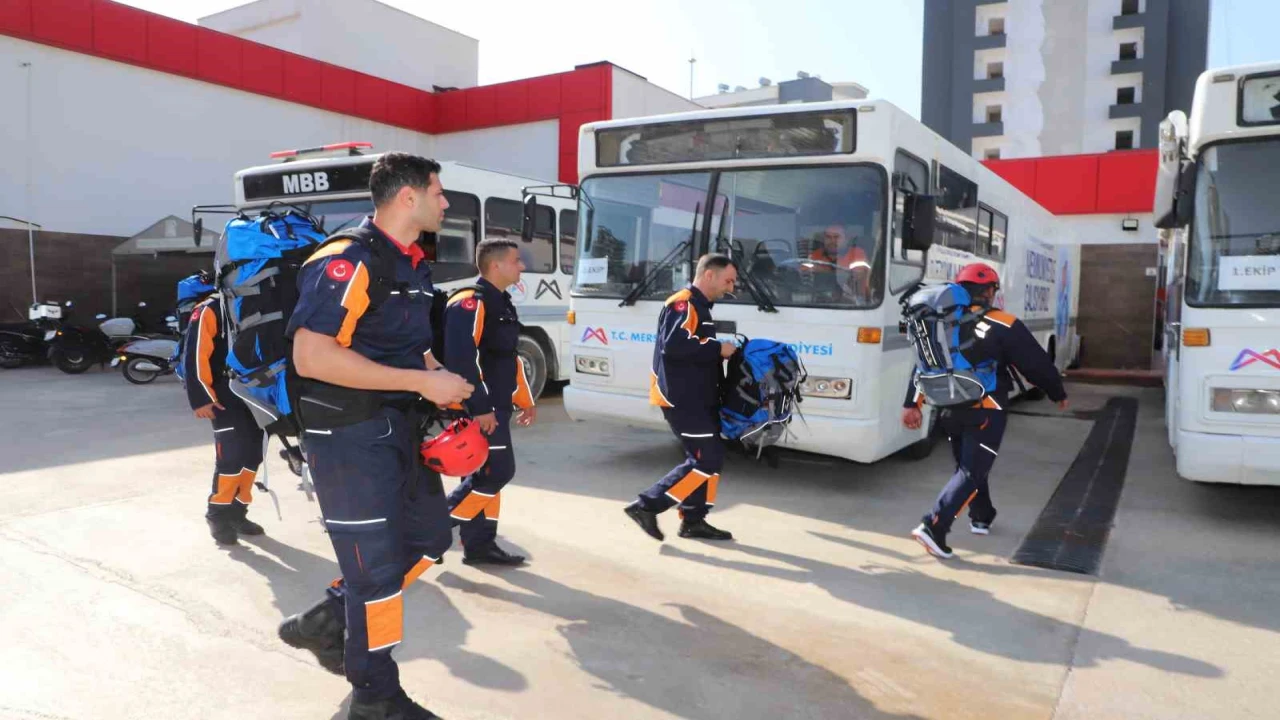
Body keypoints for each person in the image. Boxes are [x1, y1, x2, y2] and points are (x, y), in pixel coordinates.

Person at [277, 153, 474, 720]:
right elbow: (312, 356)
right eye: (438, 192)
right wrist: (421, 382)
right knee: (377, 576)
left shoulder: (409, 263)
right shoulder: (347, 260)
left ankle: (325, 619)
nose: (445, 203)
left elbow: (409, 345)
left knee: (430, 537)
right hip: (347, 436)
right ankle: (375, 697)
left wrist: (440, 379)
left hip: (398, 429)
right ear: (408, 197)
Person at [903, 263, 1069, 560]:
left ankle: (981, 516)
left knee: (969, 466)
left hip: (948, 408)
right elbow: (1036, 363)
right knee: (972, 470)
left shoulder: (940, 323)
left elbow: (923, 364)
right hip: (986, 409)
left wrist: (911, 404)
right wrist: (1057, 392)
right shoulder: (1002, 321)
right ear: (990, 291)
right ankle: (934, 526)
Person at [624, 253, 739, 542]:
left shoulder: (700, 306)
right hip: (683, 399)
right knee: (707, 459)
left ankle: (693, 520)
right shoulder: (683, 303)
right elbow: (674, 346)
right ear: (709, 275)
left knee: (709, 458)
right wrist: (718, 349)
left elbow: (693, 348)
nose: (731, 288)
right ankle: (646, 505)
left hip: (699, 397)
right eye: (728, 281)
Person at [442, 238, 538, 566]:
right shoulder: (470, 302)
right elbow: (462, 360)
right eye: (516, 260)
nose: (522, 266)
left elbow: (507, 358)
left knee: (484, 476)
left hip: (496, 407)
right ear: (496, 265)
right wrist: (480, 408)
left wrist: (524, 399)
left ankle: (480, 545)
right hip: (479, 409)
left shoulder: (502, 302)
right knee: (497, 471)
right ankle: (433, 528)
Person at [183, 292, 266, 546]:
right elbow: (195, 353)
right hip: (223, 395)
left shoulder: (260, 298)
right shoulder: (209, 308)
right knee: (231, 457)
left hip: (257, 393)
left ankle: (239, 512)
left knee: (253, 455)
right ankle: (218, 514)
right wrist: (201, 396)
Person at [807, 225, 872, 303]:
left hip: (851, 303)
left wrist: (824, 271)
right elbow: (803, 276)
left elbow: (858, 276)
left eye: (836, 237)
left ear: (846, 239)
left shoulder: (857, 253)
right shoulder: (815, 255)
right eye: (828, 237)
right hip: (818, 302)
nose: (832, 241)